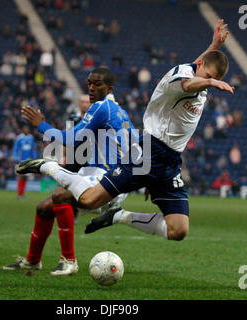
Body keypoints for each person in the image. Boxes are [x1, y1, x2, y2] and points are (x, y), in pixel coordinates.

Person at [17, 19, 234, 241]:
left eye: (215, 80)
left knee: (178, 230)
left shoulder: (201, 72)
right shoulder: (179, 78)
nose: (211, 82)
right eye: (209, 78)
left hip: (170, 161)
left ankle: (118, 216)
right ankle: (50, 166)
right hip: (148, 152)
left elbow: (202, 66)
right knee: (89, 201)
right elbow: (189, 84)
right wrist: (210, 83)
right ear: (199, 69)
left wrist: (214, 46)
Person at [4, 72, 137, 275]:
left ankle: (69, 261)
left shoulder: (102, 107)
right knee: (44, 208)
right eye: (89, 83)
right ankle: (32, 261)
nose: (91, 88)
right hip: (108, 177)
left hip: (108, 179)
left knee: (59, 196)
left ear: (109, 89)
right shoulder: (119, 112)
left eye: (97, 84)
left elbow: (70, 139)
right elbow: (136, 145)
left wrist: (41, 124)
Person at [12, 125, 38, 200]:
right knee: (22, 176)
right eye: (25, 128)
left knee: (26, 177)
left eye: (27, 129)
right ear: (23, 130)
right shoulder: (19, 138)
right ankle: (20, 195)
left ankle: (22, 194)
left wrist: (35, 157)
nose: (26, 130)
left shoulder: (31, 138)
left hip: (29, 160)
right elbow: (16, 149)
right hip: (21, 160)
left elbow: (33, 149)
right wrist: (16, 158)